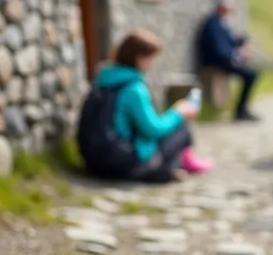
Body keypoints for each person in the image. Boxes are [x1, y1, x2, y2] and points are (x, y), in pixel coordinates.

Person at [90, 29, 214, 181]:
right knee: (182, 129)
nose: (152, 64)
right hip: (123, 161)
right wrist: (178, 112)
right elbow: (153, 129)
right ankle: (177, 165)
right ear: (139, 58)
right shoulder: (133, 88)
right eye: (151, 58)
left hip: (96, 160)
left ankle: (176, 165)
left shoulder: (104, 79)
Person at [194, 0, 260, 122]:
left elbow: (231, 41)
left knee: (251, 73)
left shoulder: (220, 23)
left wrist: (243, 42)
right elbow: (220, 51)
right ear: (221, 8)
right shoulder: (214, 25)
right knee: (251, 74)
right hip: (217, 62)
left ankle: (242, 109)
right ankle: (240, 110)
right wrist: (238, 54)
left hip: (224, 60)